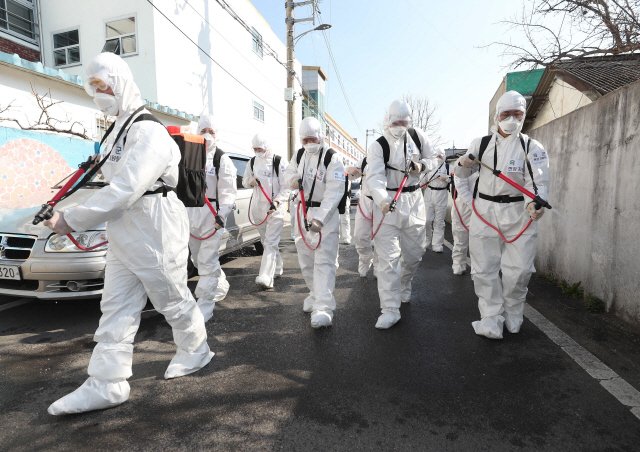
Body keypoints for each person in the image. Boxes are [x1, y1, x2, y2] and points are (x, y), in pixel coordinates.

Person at [43, 53, 213, 415]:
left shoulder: (148, 131)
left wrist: (71, 219)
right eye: (92, 87)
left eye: (103, 85)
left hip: (154, 225)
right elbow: (112, 188)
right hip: (125, 227)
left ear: (119, 82)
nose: (98, 93)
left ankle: (196, 349)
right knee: (116, 305)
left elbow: (125, 189)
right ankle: (107, 382)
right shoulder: (117, 129)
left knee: (171, 297)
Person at [456, 90, 550, 339]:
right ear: (497, 116)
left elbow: (537, 182)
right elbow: (462, 174)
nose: (511, 119)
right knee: (484, 268)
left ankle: (513, 310)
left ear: (524, 115)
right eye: (505, 114)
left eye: (516, 114)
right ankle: (490, 316)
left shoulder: (532, 147)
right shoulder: (481, 144)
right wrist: (462, 163)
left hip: (519, 213)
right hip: (485, 212)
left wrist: (535, 204)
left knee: (519, 269)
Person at [366, 100, 438, 329]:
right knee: (388, 259)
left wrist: (421, 167)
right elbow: (374, 176)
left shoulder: (418, 137)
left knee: (415, 253)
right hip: (389, 205)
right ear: (387, 121)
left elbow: (436, 158)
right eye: (395, 122)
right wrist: (382, 199)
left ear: (409, 121)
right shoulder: (378, 145)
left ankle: (405, 283)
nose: (399, 126)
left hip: (415, 201)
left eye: (403, 122)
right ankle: (389, 309)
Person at [284, 117, 345, 328]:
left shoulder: (332, 158)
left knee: (324, 261)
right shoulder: (299, 154)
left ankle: (324, 307)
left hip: (324, 215)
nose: (309, 143)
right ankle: (314, 294)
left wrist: (321, 218)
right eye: (305, 139)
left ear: (320, 136)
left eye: (312, 138)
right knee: (306, 259)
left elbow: (335, 190)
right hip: (303, 210)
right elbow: (288, 173)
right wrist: (292, 180)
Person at [187, 113, 237, 322]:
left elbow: (228, 192)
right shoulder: (189, 154)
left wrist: (222, 215)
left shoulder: (221, 159)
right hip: (191, 215)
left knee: (207, 261)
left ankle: (203, 307)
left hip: (211, 216)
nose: (207, 135)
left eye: (211, 131)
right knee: (197, 259)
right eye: (203, 131)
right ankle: (221, 284)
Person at [243, 133, 289, 289]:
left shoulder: (279, 161)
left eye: (260, 148)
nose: (258, 151)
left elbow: (286, 186)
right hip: (258, 208)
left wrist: (277, 201)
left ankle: (266, 276)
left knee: (270, 242)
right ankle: (277, 267)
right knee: (266, 241)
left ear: (267, 146)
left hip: (275, 207)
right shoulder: (252, 162)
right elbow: (244, 181)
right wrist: (250, 180)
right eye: (255, 149)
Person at [348, 160, 378, 277]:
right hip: (365, 200)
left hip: (384, 202)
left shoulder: (392, 158)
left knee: (382, 239)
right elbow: (351, 174)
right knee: (359, 235)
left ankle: (379, 266)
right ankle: (365, 259)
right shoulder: (366, 160)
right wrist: (350, 169)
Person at [450, 170, 479, 275]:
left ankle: (477, 271)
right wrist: (474, 207)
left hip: (481, 207)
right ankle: (458, 264)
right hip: (462, 206)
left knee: (479, 242)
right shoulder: (463, 164)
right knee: (460, 238)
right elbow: (461, 188)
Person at [423, 149, 451, 253]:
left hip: (442, 194)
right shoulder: (430, 167)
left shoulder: (449, 167)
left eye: (440, 156)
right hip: (429, 193)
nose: (438, 158)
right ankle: (427, 239)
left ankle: (437, 244)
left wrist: (447, 178)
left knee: (439, 221)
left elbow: (455, 179)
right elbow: (422, 180)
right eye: (437, 156)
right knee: (427, 220)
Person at [339, 177, 352, 245]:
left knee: (345, 218)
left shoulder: (347, 170)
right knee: (335, 218)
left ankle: (346, 237)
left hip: (345, 197)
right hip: (335, 195)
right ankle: (335, 236)